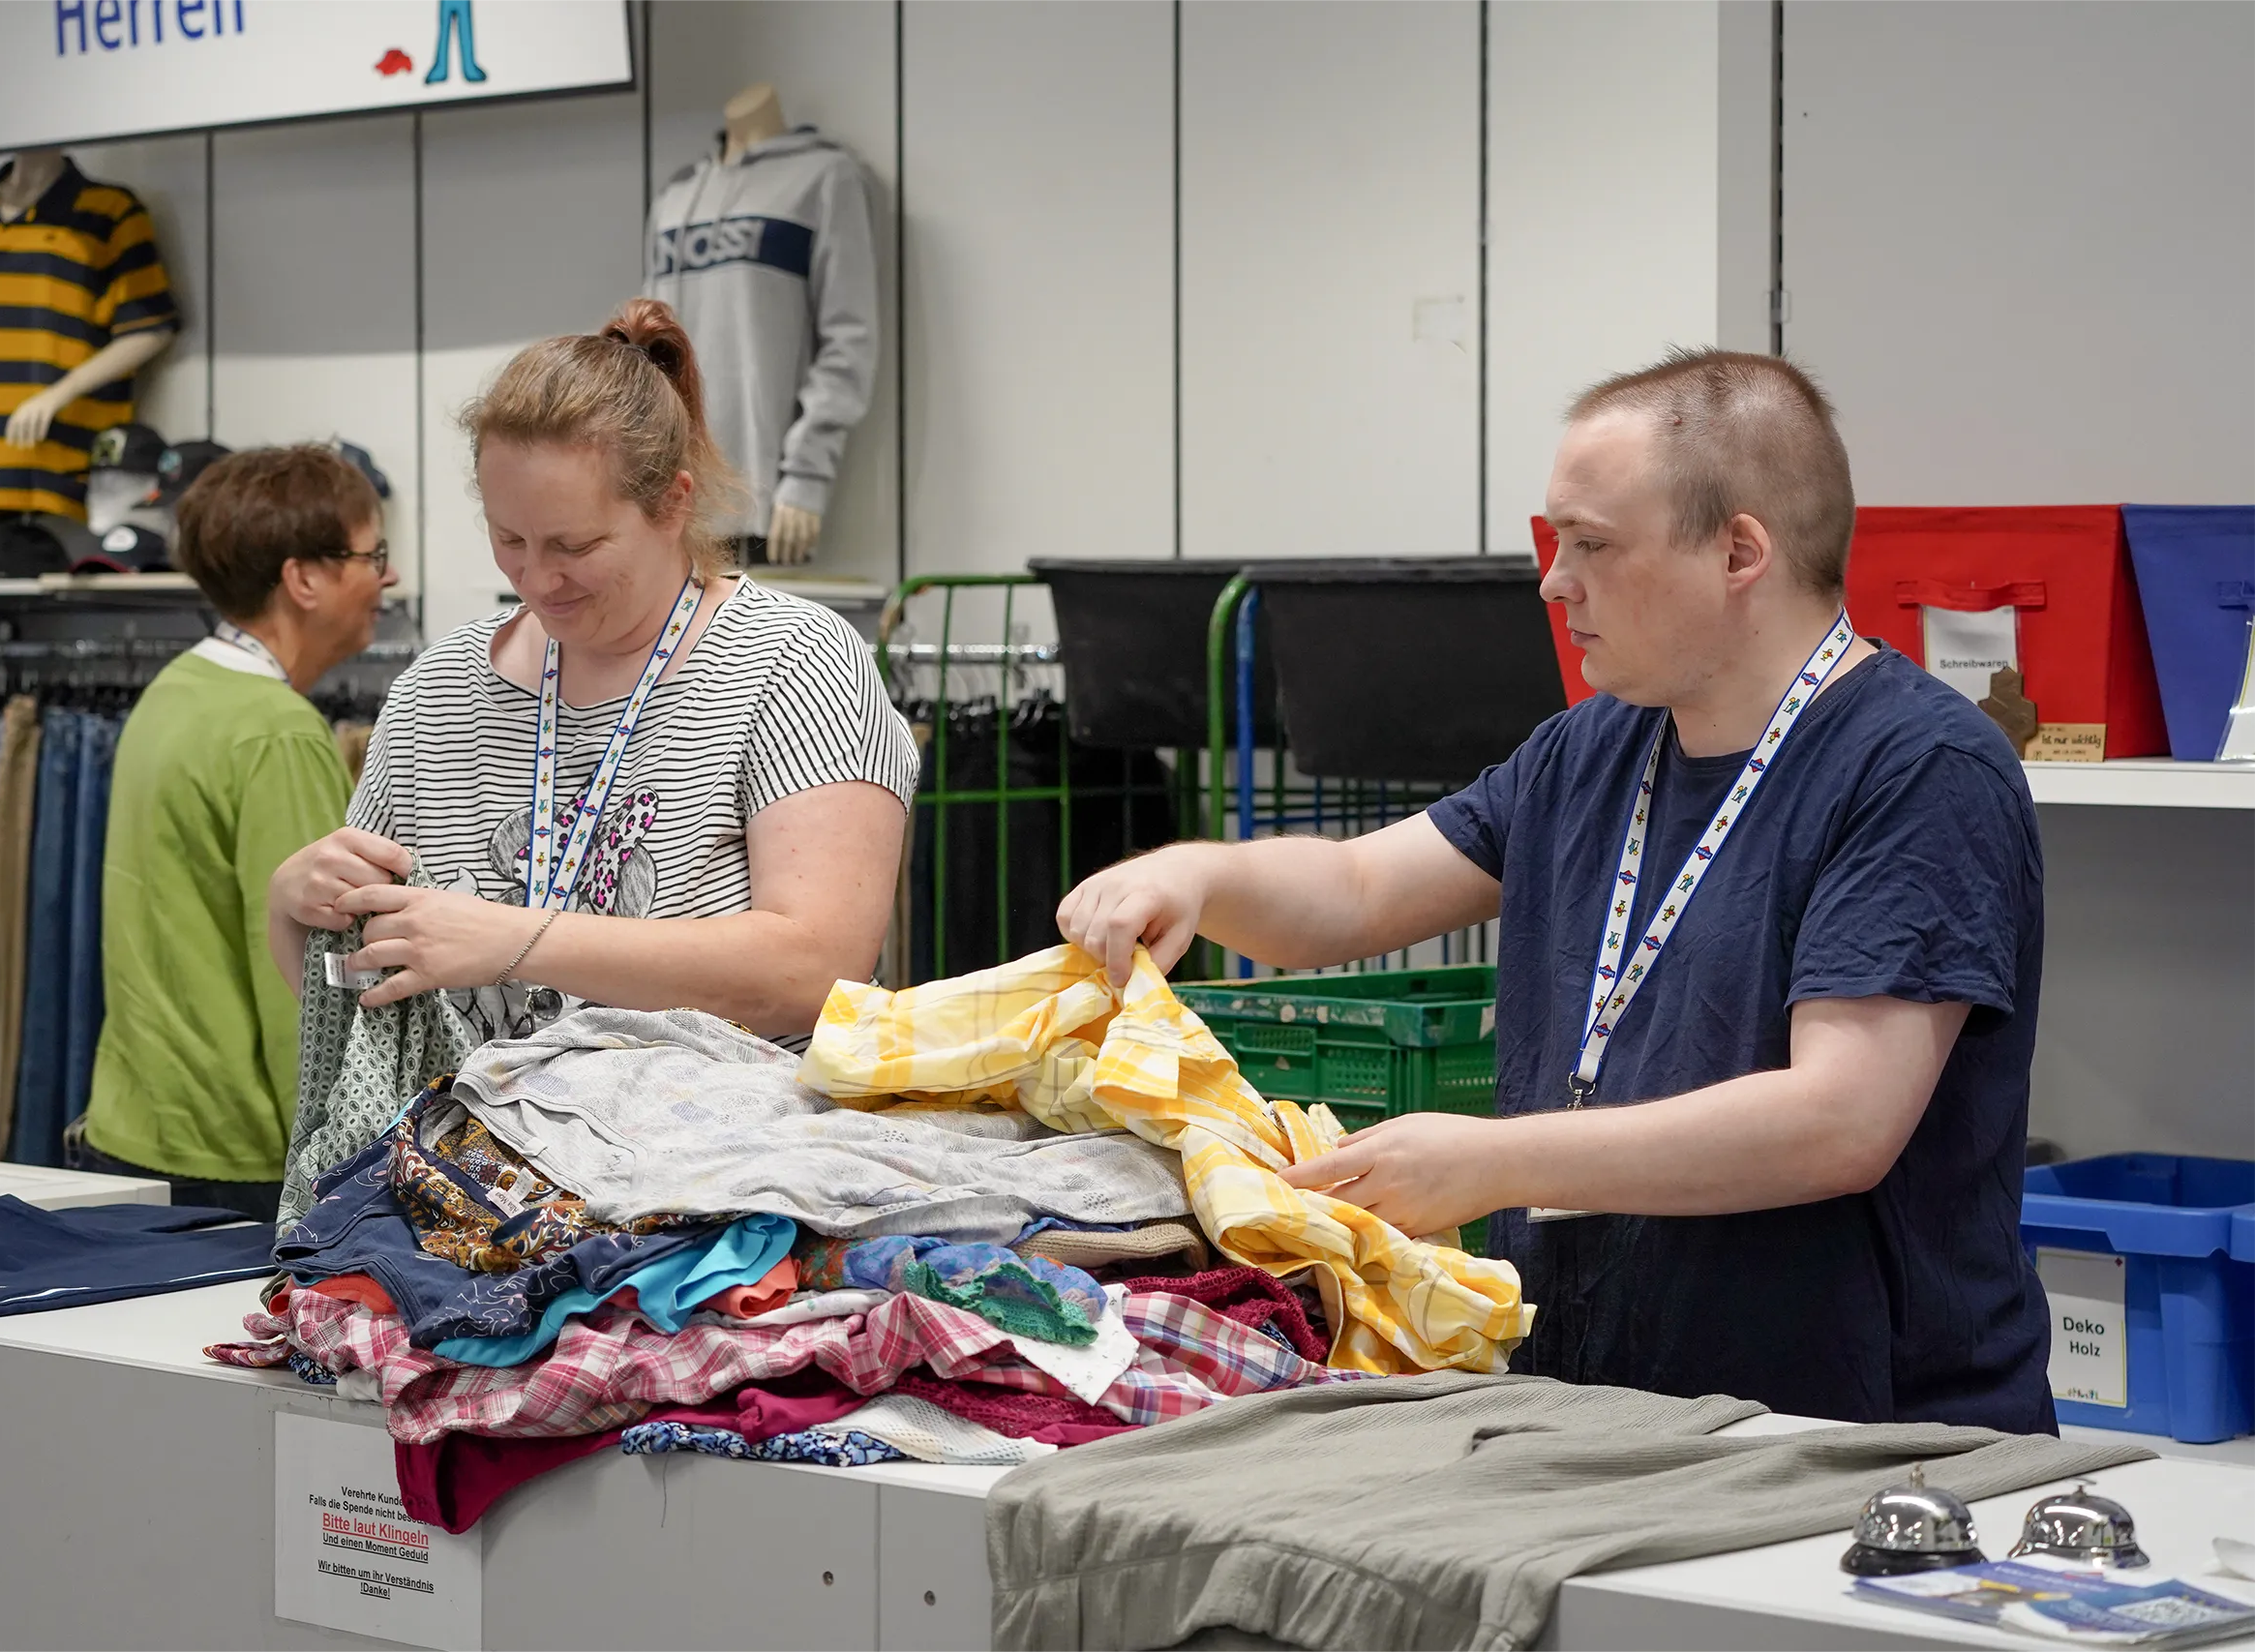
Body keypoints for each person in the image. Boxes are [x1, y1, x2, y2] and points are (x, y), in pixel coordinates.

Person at [1059, 348, 2054, 1432]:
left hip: (1860, 1440)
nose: (1553, 581)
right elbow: (1356, 887)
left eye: (1592, 545)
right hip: (1605, 1410)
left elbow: (1837, 1121)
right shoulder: (1592, 748)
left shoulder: (1917, 768)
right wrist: (1195, 873)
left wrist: (1487, 1161)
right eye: (1553, 542)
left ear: (1738, 551)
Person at [266, 298, 917, 1049]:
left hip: (709, 1158)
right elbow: (366, 1001)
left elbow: (817, 974)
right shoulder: (434, 690)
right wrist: (292, 910)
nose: (538, 580)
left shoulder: (792, 661)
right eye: (509, 538)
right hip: (472, 1157)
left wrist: (516, 939)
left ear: (672, 504)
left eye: (574, 545)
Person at [70, 447, 396, 1219]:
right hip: (239, 1153)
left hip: (135, 1122)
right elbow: (312, 984)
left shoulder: (174, 691)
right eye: (372, 554)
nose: (388, 578)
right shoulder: (276, 732)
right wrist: (351, 1175)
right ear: (303, 577)